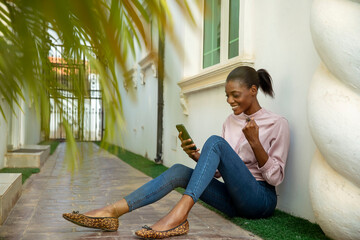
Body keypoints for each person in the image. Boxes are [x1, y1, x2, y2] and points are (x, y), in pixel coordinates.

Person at [63, 66, 290, 239]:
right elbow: (222, 173)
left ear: (253, 90)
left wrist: (256, 144)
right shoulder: (230, 121)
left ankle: (178, 216)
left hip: (259, 200)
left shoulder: (276, 123)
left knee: (216, 143)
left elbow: (275, 178)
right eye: (227, 96)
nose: (230, 101)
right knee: (180, 170)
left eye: (235, 95)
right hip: (233, 199)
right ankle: (113, 211)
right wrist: (199, 159)